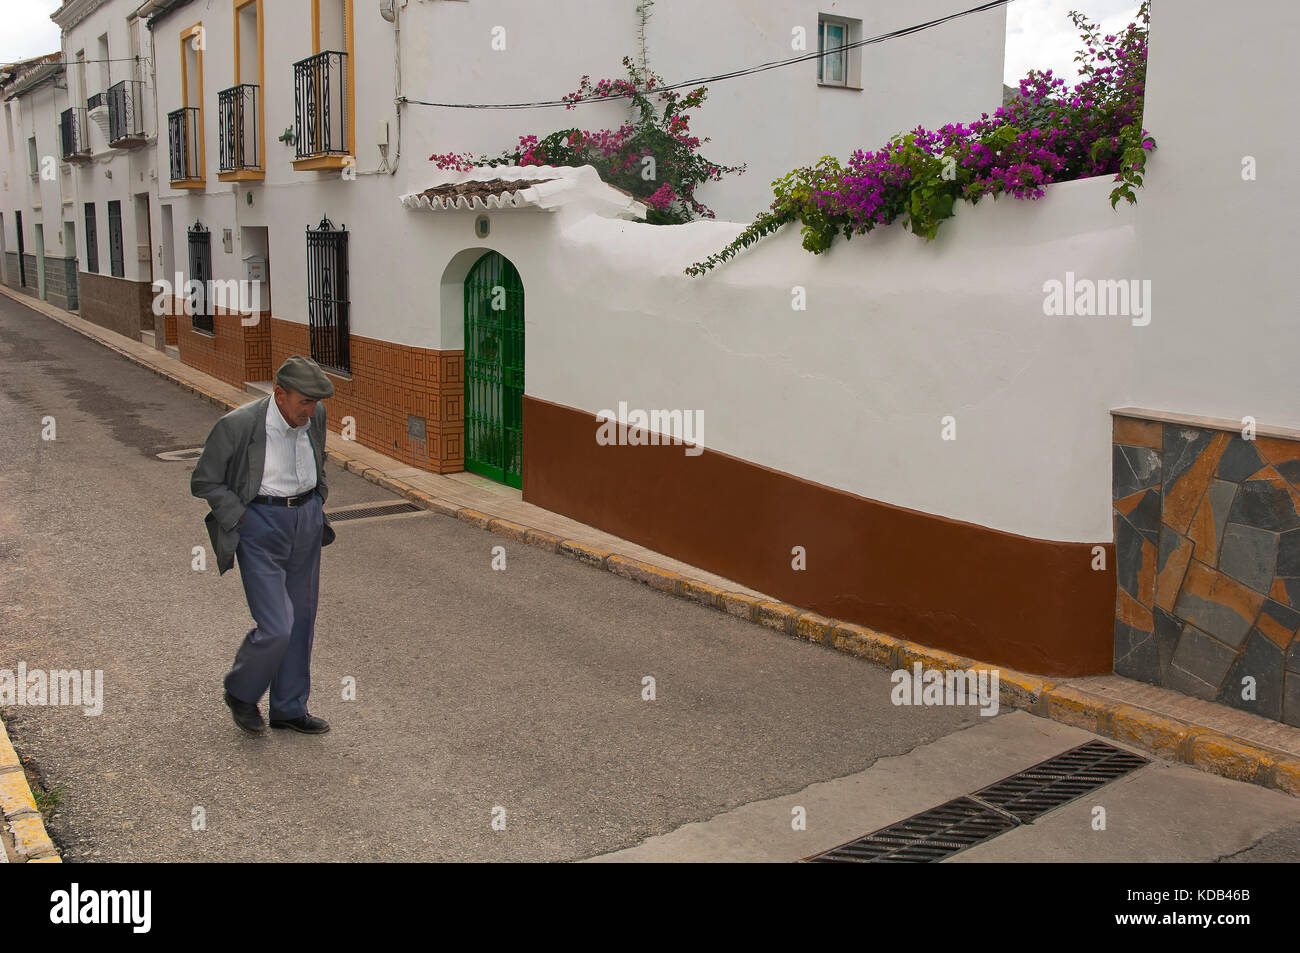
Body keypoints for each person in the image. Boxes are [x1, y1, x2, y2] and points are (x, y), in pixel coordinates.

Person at [191, 354, 337, 735]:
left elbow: (317, 459)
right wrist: (241, 516)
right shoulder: (238, 425)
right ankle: (241, 691)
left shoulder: (312, 418)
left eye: (316, 402)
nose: (311, 410)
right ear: (279, 394)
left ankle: (289, 708)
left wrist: (318, 499)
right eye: (304, 401)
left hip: (306, 520)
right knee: (277, 625)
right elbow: (204, 481)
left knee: (302, 620)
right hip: (259, 523)